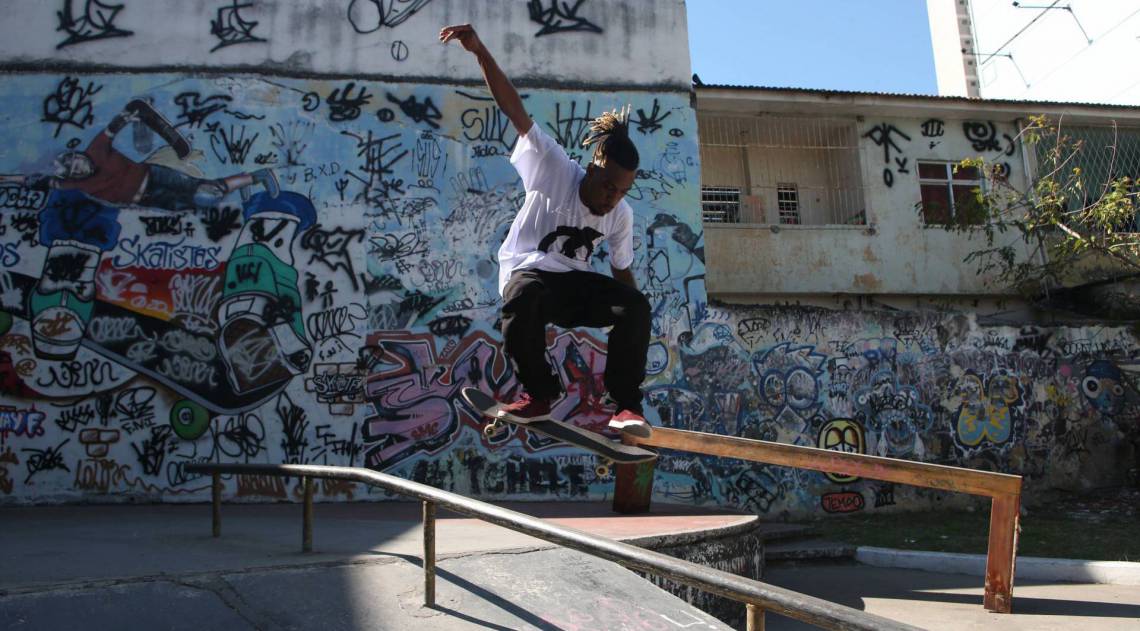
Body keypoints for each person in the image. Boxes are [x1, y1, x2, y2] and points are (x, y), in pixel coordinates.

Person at [440, 24, 652, 437]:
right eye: (607, 185)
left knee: (636, 305)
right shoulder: (554, 166)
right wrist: (479, 50)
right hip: (529, 274)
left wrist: (633, 313)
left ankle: (626, 406)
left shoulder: (620, 214)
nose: (611, 199)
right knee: (523, 293)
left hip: (573, 287)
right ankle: (539, 394)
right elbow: (514, 109)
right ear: (591, 169)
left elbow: (622, 272)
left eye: (621, 191)